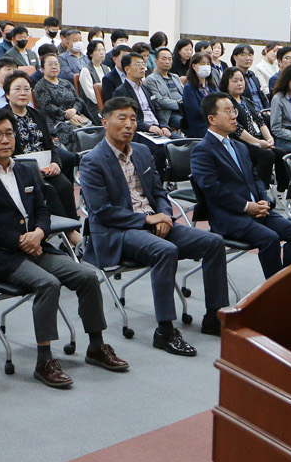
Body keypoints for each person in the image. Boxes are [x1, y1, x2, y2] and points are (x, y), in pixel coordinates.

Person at [0, 108, 130, 389]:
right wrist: (19, 240)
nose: (5, 140)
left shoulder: (26, 170)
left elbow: (42, 210)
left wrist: (38, 233)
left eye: (9, 133)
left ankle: (96, 346)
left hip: (36, 246)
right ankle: (45, 360)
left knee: (86, 276)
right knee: (48, 284)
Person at [77, 98, 227, 356]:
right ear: (104, 122)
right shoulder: (93, 161)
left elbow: (159, 192)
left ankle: (214, 316)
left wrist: (164, 215)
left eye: (133, 119)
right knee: (165, 250)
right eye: (121, 118)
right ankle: (165, 330)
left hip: (153, 222)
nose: (129, 124)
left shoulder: (142, 151)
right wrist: (147, 220)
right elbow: (102, 211)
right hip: (118, 232)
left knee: (213, 242)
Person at [191, 93, 291, 280]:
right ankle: (275, 293)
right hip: (230, 217)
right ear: (211, 119)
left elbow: (255, 178)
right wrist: (247, 206)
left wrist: (264, 201)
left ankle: (290, 284)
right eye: (227, 111)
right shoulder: (202, 150)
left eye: (233, 110)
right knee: (270, 239)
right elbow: (213, 189)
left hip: (257, 210)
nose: (233, 115)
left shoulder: (239, 146)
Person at [2, 70, 76, 217]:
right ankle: (69, 233)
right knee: (50, 190)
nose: (23, 93)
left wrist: (55, 162)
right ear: (7, 94)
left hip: (46, 167)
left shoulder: (37, 115)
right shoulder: (3, 118)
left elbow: (50, 144)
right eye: (17, 89)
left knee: (65, 186)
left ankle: (72, 225)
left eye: (27, 89)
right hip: (22, 170)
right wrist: (33, 168)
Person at [219, 67, 276, 187]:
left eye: (241, 80)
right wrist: (259, 143)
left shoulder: (247, 100)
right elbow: (238, 130)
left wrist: (269, 138)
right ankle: (258, 189)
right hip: (240, 143)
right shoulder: (227, 103)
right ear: (226, 83)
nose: (239, 83)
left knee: (280, 153)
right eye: (235, 81)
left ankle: (283, 189)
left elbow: (260, 121)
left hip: (258, 139)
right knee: (267, 156)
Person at [33, 51, 92, 149]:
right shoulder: (41, 86)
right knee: (73, 132)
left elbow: (77, 100)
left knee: (92, 130)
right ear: (42, 69)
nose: (54, 66)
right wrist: (67, 115)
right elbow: (47, 107)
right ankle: (77, 160)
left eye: (56, 64)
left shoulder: (66, 83)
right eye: (50, 64)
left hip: (75, 117)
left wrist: (74, 110)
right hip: (55, 121)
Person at [116, 50, 175, 138]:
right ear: (127, 69)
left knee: (188, 144)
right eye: (138, 65)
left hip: (158, 129)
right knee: (164, 149)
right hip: (141, 131)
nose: (142, 68)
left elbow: (158, 109)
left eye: (143, 64)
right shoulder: (121, 92)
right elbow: (126, 119)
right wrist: (148, 127)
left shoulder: (146, 88)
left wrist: (164, 126)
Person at [144, 47, 185, 132]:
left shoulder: (175, 77)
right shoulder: (151, 79)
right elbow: (159, 101)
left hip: (184, 110)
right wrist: (181, 105)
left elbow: (184, 94)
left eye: (170, 59)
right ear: (156, 61)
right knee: (185, 122)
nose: (167, 61)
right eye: (164, 59)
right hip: (169, 113)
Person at [180, 54, 219, 139]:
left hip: (215, 122)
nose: (206, 66)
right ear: (194, 66)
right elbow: (196, 111)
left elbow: (220, 101)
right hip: (200, 126)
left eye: (208, 64)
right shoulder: (189, 88)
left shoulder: (212, 86)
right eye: (202, 64)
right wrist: (215, 113)